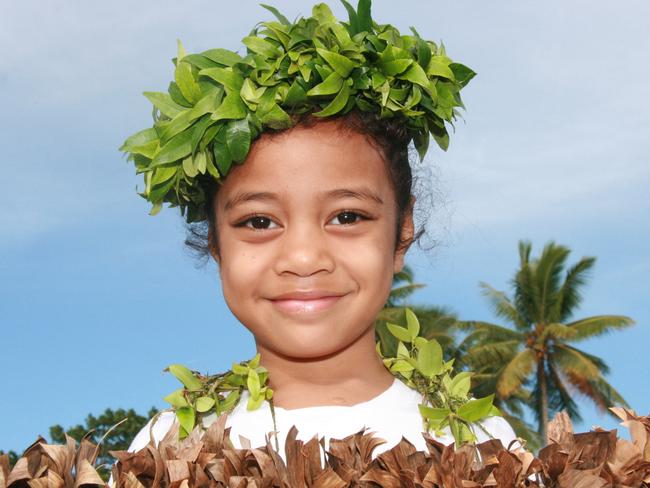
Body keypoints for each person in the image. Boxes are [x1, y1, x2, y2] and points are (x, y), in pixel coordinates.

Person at [121, 0, 518, 463]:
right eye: (259, 222)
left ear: (401, 231)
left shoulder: (476, 442)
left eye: (347, 217)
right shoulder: (169, 447)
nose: (305, 257)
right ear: (215, 242)